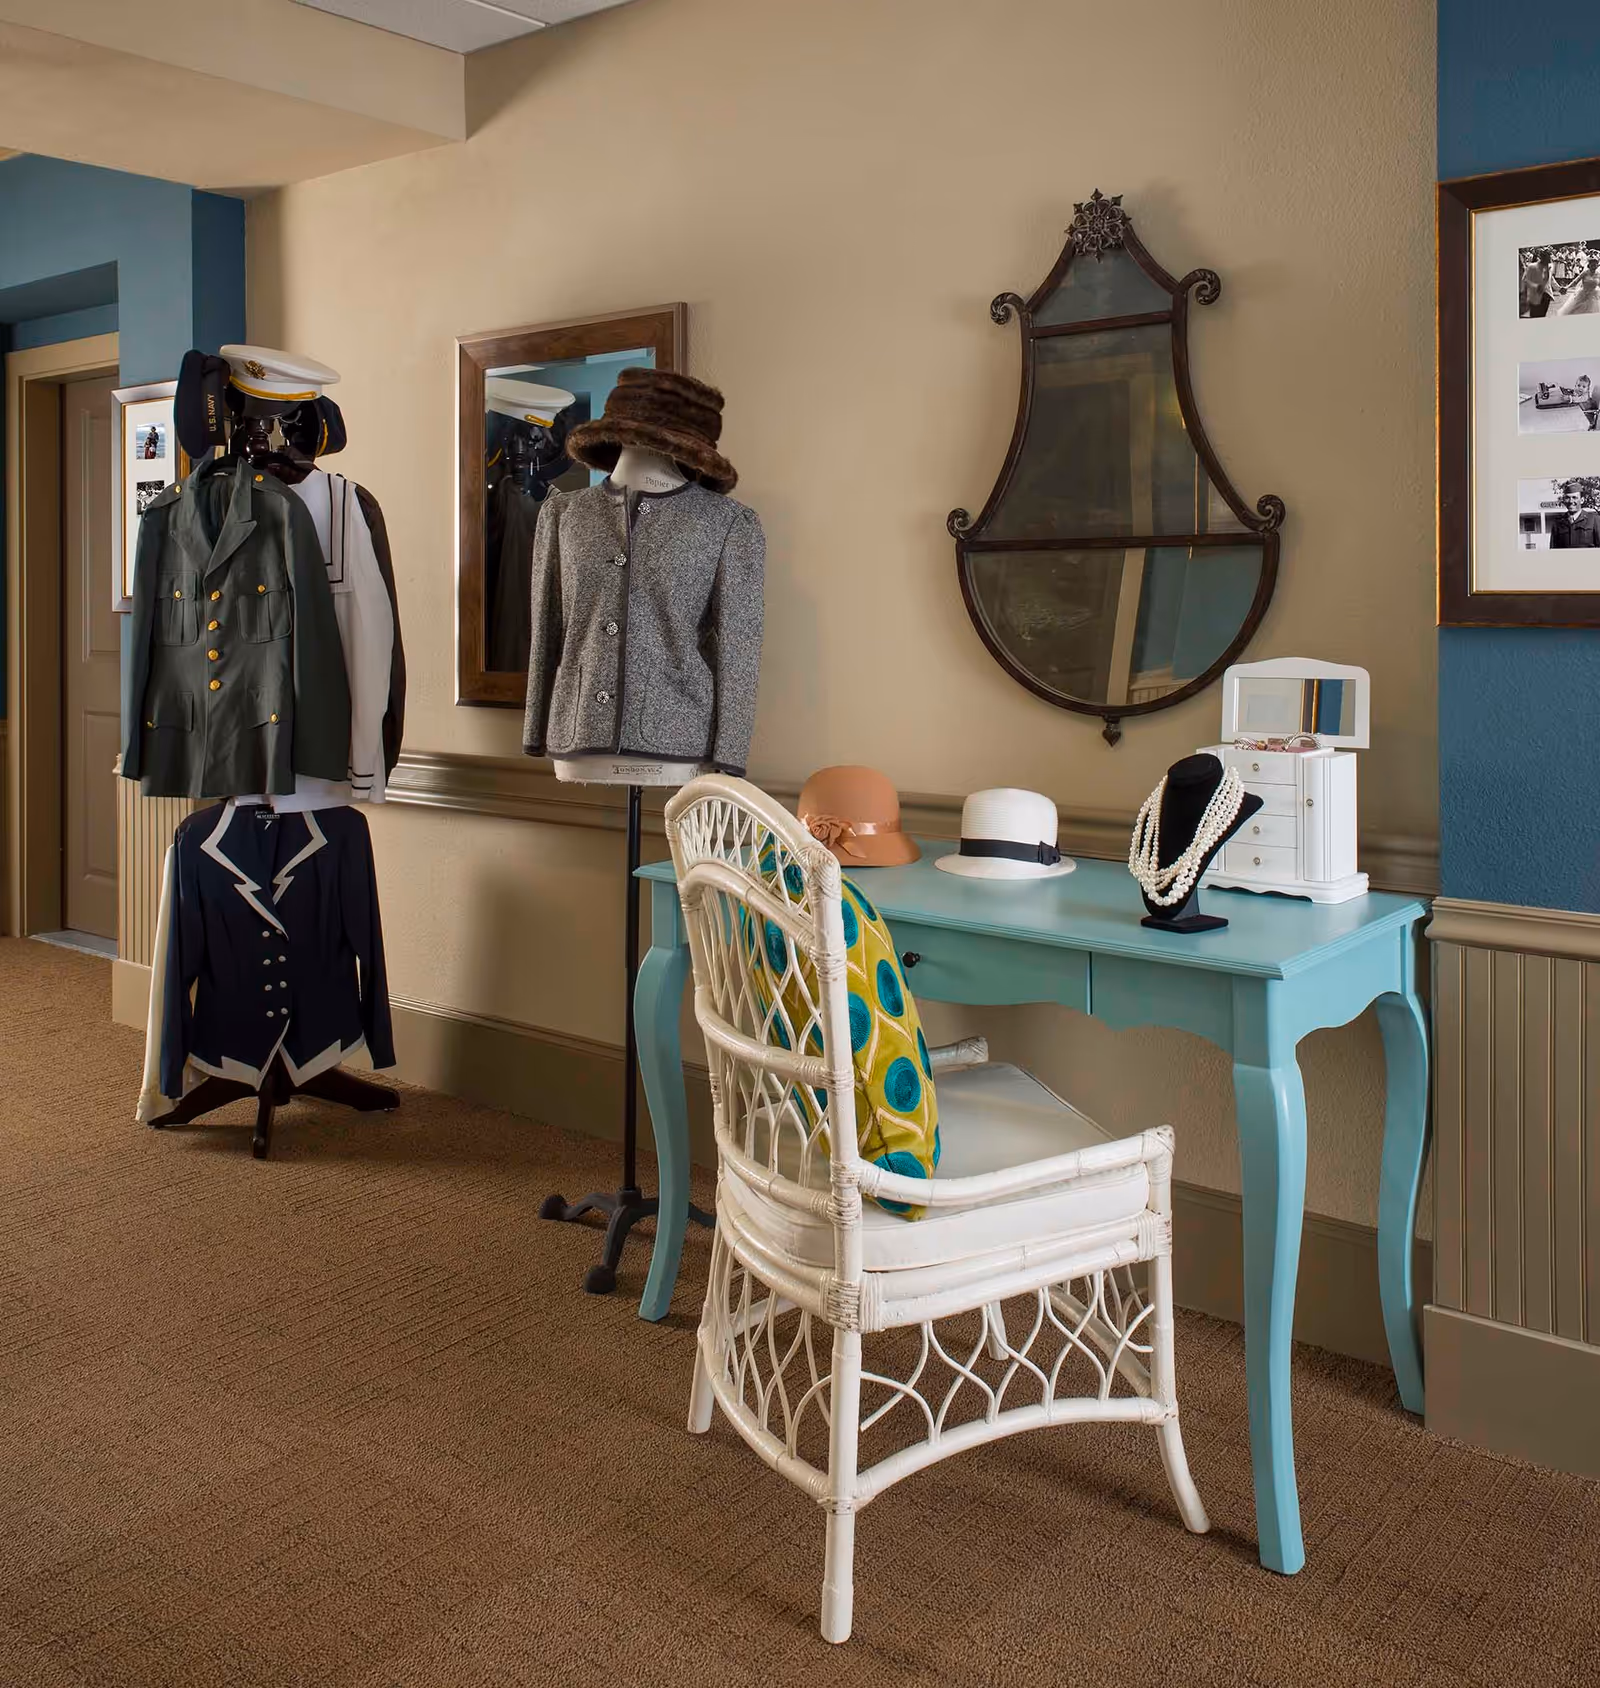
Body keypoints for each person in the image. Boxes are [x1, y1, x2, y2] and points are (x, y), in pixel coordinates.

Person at [1521, 248, 1554, 316]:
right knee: (1535, 315)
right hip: (1535, 295)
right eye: (1548, 257)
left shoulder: (1549, 267)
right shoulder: (1532, 266)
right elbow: (1525, 280)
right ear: (1542, 257)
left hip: (1546, 295)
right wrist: (1536, 286)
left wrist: (1559, 288)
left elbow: (1551, 279)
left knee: (1543, 315)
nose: (1550, 259)